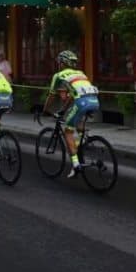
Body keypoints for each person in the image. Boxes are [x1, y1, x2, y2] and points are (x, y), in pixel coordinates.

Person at [42, 50, 100, 179]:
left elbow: (51, 96)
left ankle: (75, 164)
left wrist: (45, 109)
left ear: (62, 63)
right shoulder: (81, 73)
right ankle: (82, 141)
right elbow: (73, 95)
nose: (58, 65)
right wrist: (63, 109)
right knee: (78, 123)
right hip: (94, 101)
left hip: (81, 103)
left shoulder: (59, 75)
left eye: (59, 63)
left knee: (68, 131)